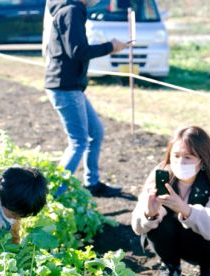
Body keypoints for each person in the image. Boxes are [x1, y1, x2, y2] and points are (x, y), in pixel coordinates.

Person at [131, 126, 210, 276]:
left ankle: (208, 267)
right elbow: (138, 227)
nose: (180, 162)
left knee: (204, 222)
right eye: (176, 156)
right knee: (158, 224)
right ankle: (171, 266)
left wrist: (184, 209)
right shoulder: (161, 175)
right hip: (173, 238)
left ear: (202, 159)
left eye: (188, 157)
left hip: (209, 241)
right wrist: (149, 213)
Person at [44, 0, 128, 198]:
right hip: (65, 86)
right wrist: (111, 47)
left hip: (71, 86)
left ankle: (92, 183)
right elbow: (77, 51)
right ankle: (51, 195)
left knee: (95, 132)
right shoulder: (72, 10)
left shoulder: (70, 9)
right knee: (78, 141)